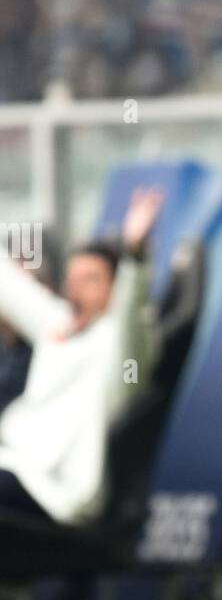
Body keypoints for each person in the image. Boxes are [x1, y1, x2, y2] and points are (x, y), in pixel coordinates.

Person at [0, 188, 163, 531]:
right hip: (13, 464)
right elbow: (9, 285)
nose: (76, 290)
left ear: (115, 287)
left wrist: (134, 252)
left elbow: (131, 313)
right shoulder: (58, 326)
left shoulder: (122, 345)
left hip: (54, 491)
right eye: (71, 281)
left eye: (90, 280)